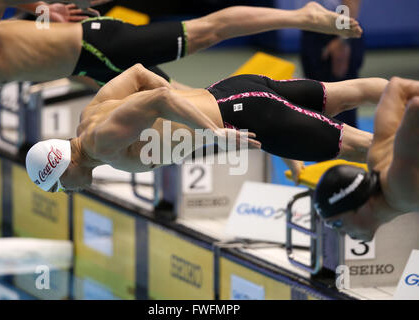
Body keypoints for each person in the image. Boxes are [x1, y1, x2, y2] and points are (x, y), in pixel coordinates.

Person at [24, 63, 388, 193]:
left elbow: (158, 100)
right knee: (346, 95)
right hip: (232, 92)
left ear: (64, 167)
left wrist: (213, 128)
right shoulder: (90, 114)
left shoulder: (100, 142)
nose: (66, 192)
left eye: (58, 187)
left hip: (244, 113)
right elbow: (137, 74)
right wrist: (202, 104)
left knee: (363, 147)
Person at [0, 0, 363, 88]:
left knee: (209, 30)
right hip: (87, 65)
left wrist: (45, 10)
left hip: (99, 47)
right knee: (189, 104)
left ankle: (303, 17)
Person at [314, 77, 419, 241]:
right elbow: (396, 88)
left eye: (337, 224)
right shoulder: (376, 158)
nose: (341, 234)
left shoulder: (402, 187)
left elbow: (415, 108)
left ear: (358, 204)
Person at [300, 0, 364, 128]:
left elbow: (351, 3)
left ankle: (346, 143)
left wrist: (343, 40)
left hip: (336, 32)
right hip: (312, 28)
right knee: (316, 94)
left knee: (339, 96)